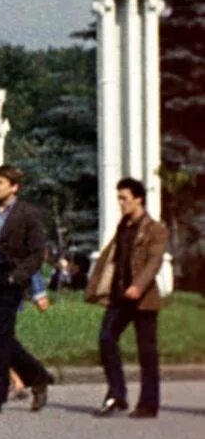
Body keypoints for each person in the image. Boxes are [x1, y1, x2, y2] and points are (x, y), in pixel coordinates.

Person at [0, 164, 53, 414]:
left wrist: (18, 276)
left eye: (1, 182)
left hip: (11, 278)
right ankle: (37, 376)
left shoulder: (28, 213)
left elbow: (37, 253)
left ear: (14, 187)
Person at [89, 177, 167, 419]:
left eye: (124, 198)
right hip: (120, 297)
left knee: (147, 352)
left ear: (138, 199)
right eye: (119, 198)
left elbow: (154, 261)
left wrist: (138, 285)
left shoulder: (155, 229)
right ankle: (117, 394)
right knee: (106, 339)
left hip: (143, 299)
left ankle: (148, 404)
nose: (120, 203)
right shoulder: (123, 226)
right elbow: (112, 257)